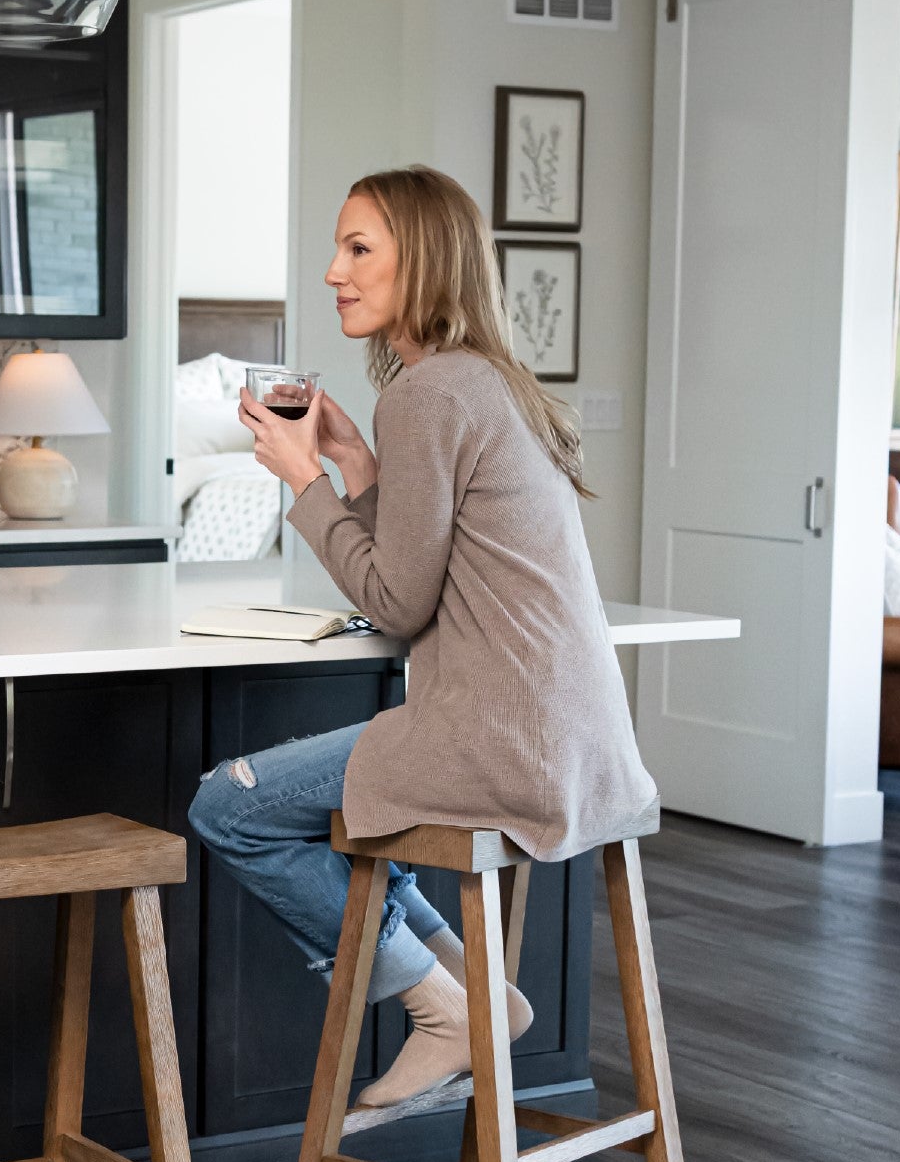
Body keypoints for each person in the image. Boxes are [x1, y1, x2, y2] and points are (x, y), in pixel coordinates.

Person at [187, 165, 658, 1111]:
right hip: (577, 742)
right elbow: (429, 561)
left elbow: (398, 602)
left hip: (493, 737)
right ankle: (481, 1000)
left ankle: (442, 1010)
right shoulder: (488, 382)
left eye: (359, 249)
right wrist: (356, 463)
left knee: (227, 806)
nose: (333, 271)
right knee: (363, 812)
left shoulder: (429, 392)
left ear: (425, 262)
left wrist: (302, 483)